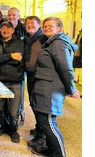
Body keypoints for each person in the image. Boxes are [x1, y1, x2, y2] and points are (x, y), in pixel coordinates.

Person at [29, 17, 80, 156]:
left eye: (50, 26)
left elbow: (65, 68)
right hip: (45, 87)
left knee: (48, 123)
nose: (46, 28)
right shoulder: (51, 42)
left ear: (59, 27)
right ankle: (50, 150)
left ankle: (59, 154)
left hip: (51, 90)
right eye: (45, 26)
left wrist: (71, 88)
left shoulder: (58, 43)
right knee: (44, 121)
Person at [0, 21, 24, 143]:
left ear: (13, 30)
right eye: (2, 28)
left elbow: (18, 60)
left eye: (8, 28)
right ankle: (5, 127)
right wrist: (10, 56)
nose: (5, 30)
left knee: (14, 112)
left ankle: (13, 131)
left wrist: (3, 58)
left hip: (14, 81)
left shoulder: (19, 43)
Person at [23, 16, 48, 149]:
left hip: (40, 77)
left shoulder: (44, 38)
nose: (30, 25)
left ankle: (42, 137)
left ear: (39, 25)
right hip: (31, 76)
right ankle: (39, 128)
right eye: (27, 23)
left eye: (33, 23)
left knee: (40, 106)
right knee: (33, 103)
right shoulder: (27, 38)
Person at [6, 7, 27, 123]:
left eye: (14, 15)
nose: (11, 17)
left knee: (19, 95)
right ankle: (7, 118)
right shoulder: (5, 28)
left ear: (19, 16)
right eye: (9, 15)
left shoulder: (24, 30)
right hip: (7, 66)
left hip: (19, 68)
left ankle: (18, 115)